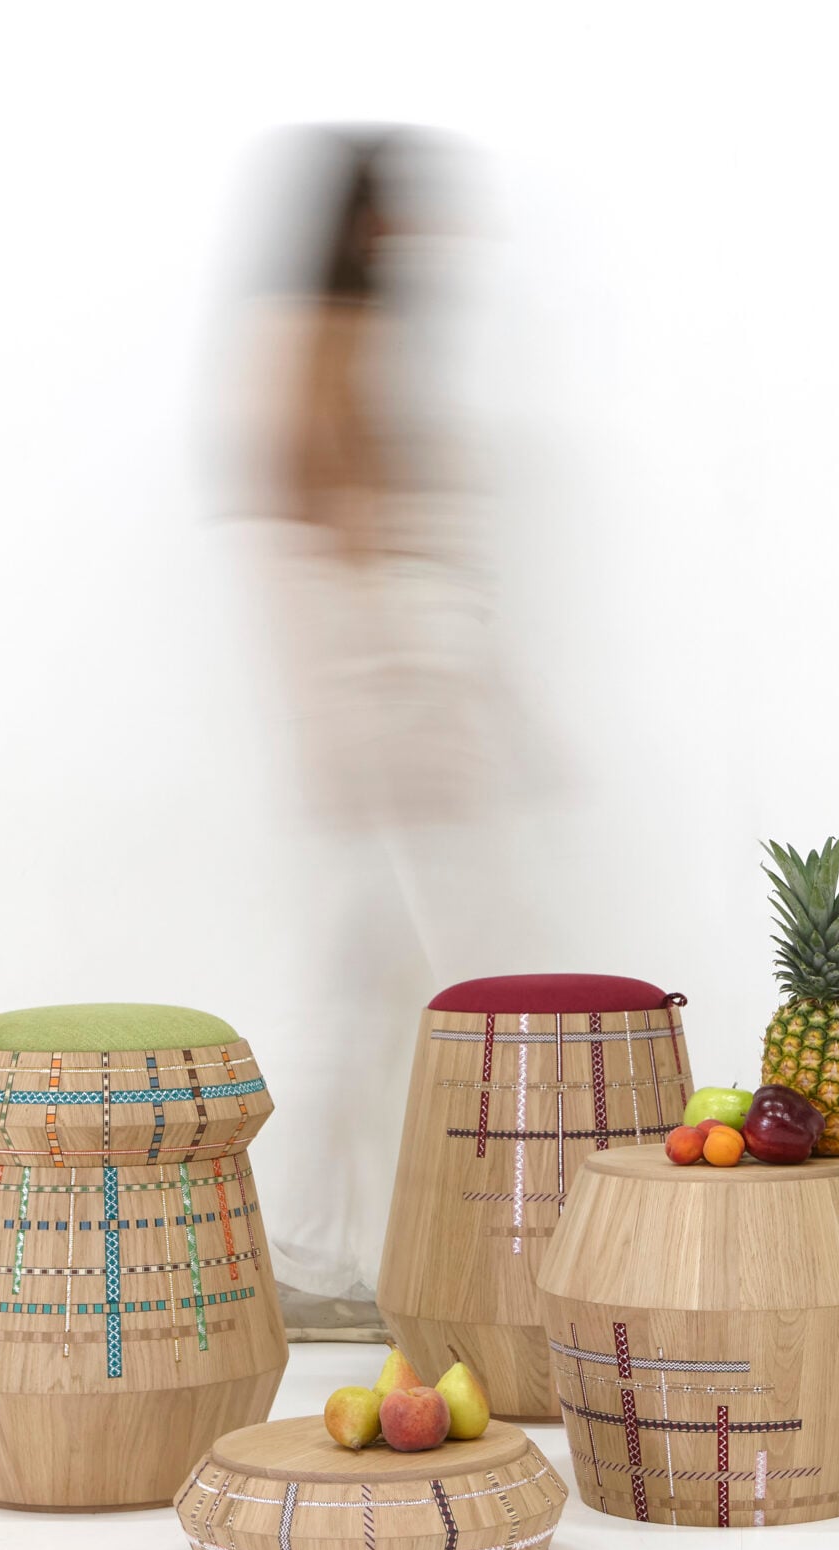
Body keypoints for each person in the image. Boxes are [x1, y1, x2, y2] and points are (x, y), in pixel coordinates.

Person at [242, 129, 537, 1338]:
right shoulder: (327, 339)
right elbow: (334, 512)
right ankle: (318, 1253)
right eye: (401, 214)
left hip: (384, 709)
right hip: (382, 714)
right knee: (396, 975)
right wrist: (421, 651)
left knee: (366, 978)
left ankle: (317, 1254)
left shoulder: (327, 335)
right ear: (366, 222)